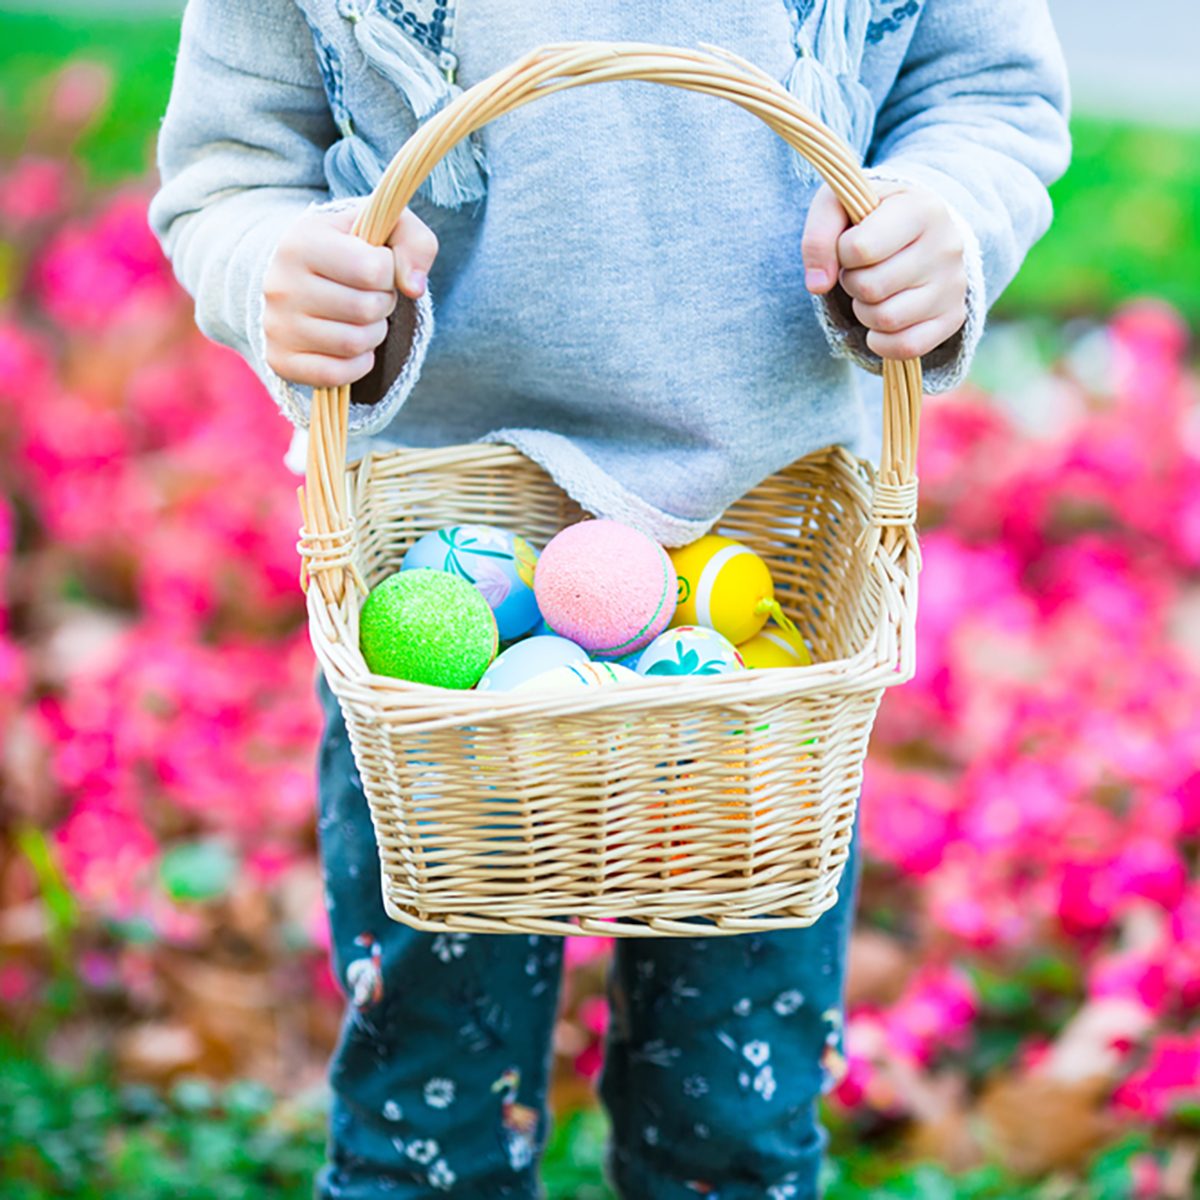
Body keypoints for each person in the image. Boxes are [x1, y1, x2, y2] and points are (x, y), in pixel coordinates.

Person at [150, 2, 1070, 1196]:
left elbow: (987, 90)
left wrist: (948, 217)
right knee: (427, 1112)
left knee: (732, 1126)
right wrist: (271, 263)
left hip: (765, 564)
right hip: (443, 575)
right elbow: (230, 166)